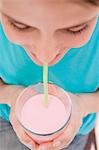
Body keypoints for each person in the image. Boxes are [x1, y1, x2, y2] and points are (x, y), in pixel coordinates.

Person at [0, 0, 99, 149]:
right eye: (20, 26)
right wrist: (10, 95)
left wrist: (83, 105)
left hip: (79, 127)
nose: (45, 57)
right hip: (5, 117)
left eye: (75, 29)